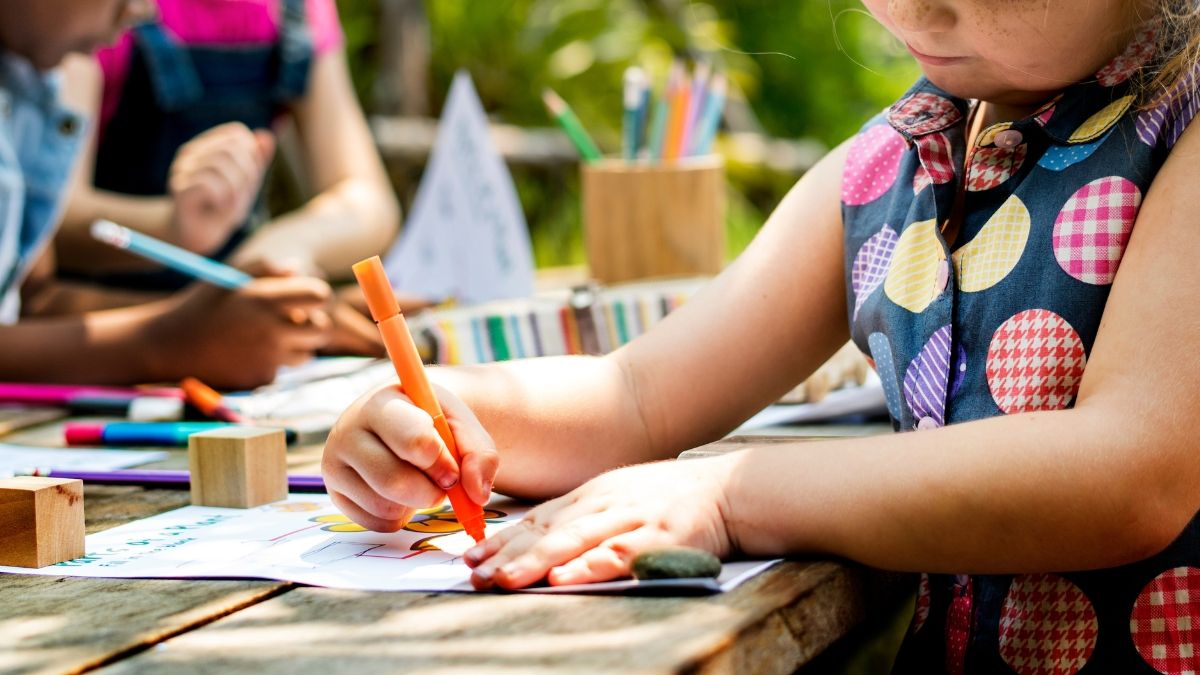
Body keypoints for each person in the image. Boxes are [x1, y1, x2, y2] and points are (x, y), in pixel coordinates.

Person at [324, 0, 1200, 671]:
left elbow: (1131, 467)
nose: (912, 8)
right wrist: (449, 414)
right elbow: (639, 394)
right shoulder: (889, 162)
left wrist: (732, 494)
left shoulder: (1184, 135)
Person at [0, 0, 334, 390]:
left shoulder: (28, 82)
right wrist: (166, 343)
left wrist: (232, 318)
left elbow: (31, 297)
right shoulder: (50, 65)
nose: (143, 10)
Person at [53, 0, 399, 289]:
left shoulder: (299, 9)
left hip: (237, 307)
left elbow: (369, 202)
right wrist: (172, 226)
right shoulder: (103, 10)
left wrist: (284, 246)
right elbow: (51, 214)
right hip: (107, 314)